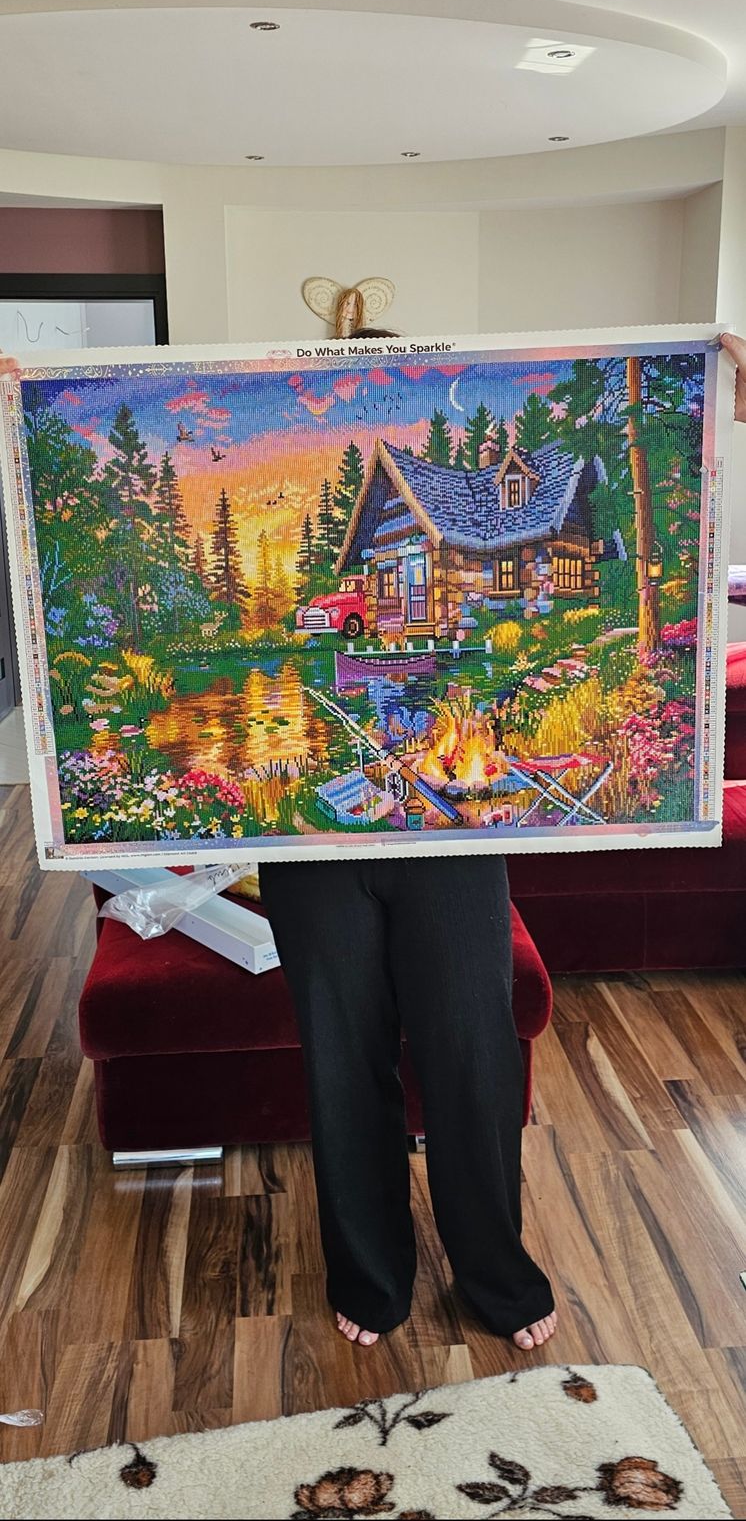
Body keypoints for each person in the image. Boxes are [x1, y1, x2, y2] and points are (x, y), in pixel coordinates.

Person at [1, 330, 744, 1355]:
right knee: (342, 1057)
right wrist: (23, 419)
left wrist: (717, 398)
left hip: (450, 851)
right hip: (314, 861)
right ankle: (370, 1273)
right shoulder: (354, 612)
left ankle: (494, 1270)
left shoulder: (487, 578)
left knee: (471, 1051)